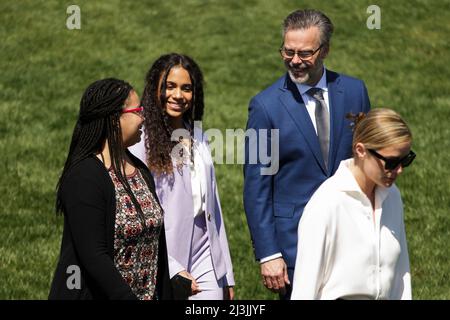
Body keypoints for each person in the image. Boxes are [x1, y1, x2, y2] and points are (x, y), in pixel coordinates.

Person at [243, 9, 371, 299]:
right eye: (288, 52)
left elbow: (368, 162)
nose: (295, 61)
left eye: (305, 53)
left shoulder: (354, 91)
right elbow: (257, 186)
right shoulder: (264, 107)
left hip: (351, 236)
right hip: (295, 246)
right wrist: (268, 253)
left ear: (325, 50)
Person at [49, 78, 172, 300]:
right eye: (138, 110)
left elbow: (157, 249)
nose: (143, 117)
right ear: (115, 119)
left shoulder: (140, 170)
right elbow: (94, 257)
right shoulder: (84, 177)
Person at [129, 53, 235, 300]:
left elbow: (214, 205)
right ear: (155, 87)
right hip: (163, 252)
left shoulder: (196, 133)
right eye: (170, 86)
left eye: (186, 88)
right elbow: (136, 212)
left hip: (204, 251)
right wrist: (173, 268)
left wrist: (225, 273)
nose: (178, 95)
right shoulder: (139, 139)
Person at [291, 108, 415, 300]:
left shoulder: (392, 196)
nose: (399, 170)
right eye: (391, 162)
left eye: (405, 160)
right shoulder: (326, 204)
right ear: (361, 150)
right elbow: (305, 289)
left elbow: (401, 273)